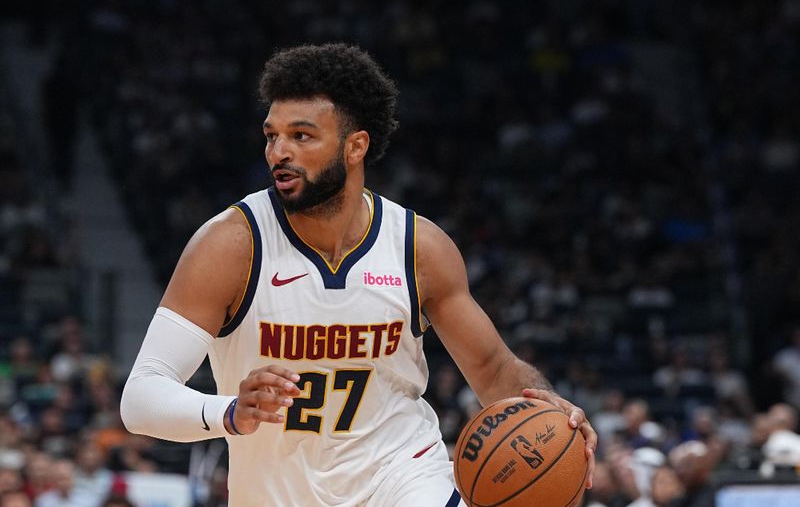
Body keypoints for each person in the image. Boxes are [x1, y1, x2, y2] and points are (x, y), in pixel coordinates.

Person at [120, 43, 597, 506]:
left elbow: (494, 371)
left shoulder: (417, 247)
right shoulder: (231, 246)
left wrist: (555, 413)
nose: (278, 152)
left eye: (301, 136)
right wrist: (227, 411)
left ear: (355, 146)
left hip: (403, 473)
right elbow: (141, 397)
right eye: (272, 135)